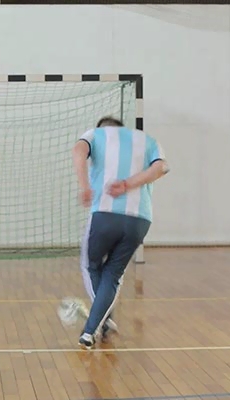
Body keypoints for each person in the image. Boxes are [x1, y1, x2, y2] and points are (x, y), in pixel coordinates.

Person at [72, 116, 168, 349]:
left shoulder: (95, 135)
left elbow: (78, 151)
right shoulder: (148, 140)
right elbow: (161, 168)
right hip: (140, 219)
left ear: (103, 129)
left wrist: (85, 186)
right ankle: (94, 328)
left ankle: (99, 323)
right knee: (113, 273)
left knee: (91, 265)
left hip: (105, 213)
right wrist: (128, 184)